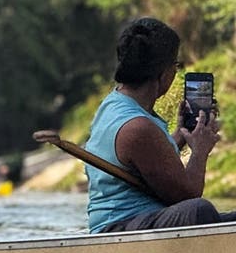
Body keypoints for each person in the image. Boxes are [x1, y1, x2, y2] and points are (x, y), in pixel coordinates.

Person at [84, 16, 235, 233]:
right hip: (120, 229)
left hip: (144, 220)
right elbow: (187, 194)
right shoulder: (137, 127)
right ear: (164, 74)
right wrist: (200, 151)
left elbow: (151, 162)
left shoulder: (114, 103)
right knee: (198, 211)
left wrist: (181, 136)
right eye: (175, 65)